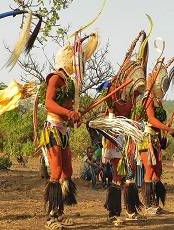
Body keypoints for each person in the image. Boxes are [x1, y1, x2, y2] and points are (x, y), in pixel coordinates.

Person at [38, 30, 99, 229]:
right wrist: (67, 112)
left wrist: (74, 117)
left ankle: (60, 212)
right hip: (53, 128)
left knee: (67, 171)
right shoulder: (55, 78)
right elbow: (48, 103)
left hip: (63, 130)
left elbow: (68, 113)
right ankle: (51, 217)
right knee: (55, 171)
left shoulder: (70, 83)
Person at [101, 30, 149, 225]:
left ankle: (130, 209)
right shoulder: (113, 89)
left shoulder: (132, 95)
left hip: (127, 136)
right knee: (117, 174)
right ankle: (113, 213)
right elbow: (110, 113)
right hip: (113, 134)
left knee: (129, 174)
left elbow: (131, 113)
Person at [138, 61, 174, 215]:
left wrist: (167, 127)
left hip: (156, 140)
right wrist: (167, 128)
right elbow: (152, 119)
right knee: (149, 169)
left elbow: (159, 123)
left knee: (157, 171)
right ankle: (147, 205)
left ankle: (155, 203)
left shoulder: (158, 100)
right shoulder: (147, 98)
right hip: (147, 138)